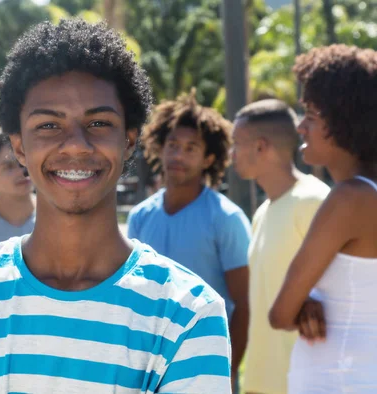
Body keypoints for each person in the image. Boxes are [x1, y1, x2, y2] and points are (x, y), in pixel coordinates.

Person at [0, 19, 231, 393]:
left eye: (99, 122)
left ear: (129, 141)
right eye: (48, 126)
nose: (76, 145)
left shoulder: (188, 312)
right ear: (19, 146)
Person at [269, 45, 377, 393]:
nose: (301, 127)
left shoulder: (350, 199)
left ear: (345, 123)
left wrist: (301, 304)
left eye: (311, 116)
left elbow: (279, 314)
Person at [127, 92, 251, 388]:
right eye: (172, 145)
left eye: (190, 148)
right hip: (145, 371)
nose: (178, 156)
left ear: (209, 158)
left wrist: (227, 369)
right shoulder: (140, 217)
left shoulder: (226, 218)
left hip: (204, 368)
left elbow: (244, 304)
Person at [231, 99, 330, 394]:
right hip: (260, 385)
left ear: (260, 147)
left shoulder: (314, 200)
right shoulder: (263, 212)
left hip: (303, 385)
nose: (230, 154)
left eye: (236, 144)